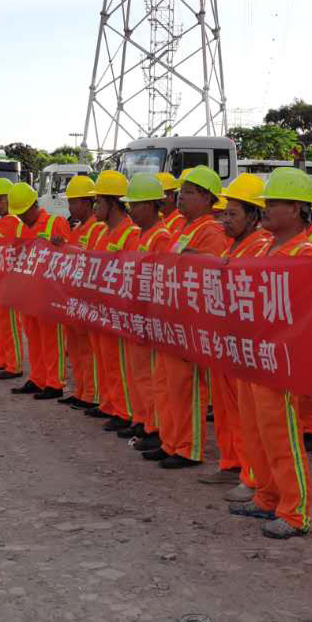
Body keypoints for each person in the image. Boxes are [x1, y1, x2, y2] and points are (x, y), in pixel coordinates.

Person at [222, 167, 312, 538]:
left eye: (274, 203)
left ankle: (295, 511)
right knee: (257, 432)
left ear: (295, 208)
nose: (266, 210)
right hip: (254, 354)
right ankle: (266, 496)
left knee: (281, 436)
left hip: (280, 360)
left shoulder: (306, 253)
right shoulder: (266, 247)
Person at [152, 166, 229, 470]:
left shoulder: (211, 230)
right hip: (172, 317)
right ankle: (169, 441)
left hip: (189, 320)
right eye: (182, 192)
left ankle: (187, 447)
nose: (181, 197)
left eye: (189, 192)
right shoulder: (184, 228)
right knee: (167, 384)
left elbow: (211, 275)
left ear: (208, 198)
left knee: (187, 387)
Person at [213, 174, 271, 499]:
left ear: (252, 217)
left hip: (246, 343)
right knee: (229, 411)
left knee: (249, 417)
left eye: (232, 214)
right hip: (228, 340)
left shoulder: (260, 246)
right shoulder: (234, 244)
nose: (225, 219)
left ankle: (252, 476)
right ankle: (233, 462)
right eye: (225, 213)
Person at [85, 170, 139, 432]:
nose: (95, 207)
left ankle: (124, 410)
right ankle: (109, 403)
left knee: (118, 363)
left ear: (113, 203)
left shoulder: (130, 233)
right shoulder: (101, 232)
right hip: (99, 308)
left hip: (117, 311)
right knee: (104, 359)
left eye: (99, 202)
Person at [8, 183, 71, 400]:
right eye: (19, 214)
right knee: (33, 339)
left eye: (24, 212)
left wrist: (59, 245)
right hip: (28, 294)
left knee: (52, 339)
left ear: (35, 205)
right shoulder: (21, 228)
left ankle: (54, 383)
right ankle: (37, 378)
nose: (22, 217)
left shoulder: (56, 223)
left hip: (50, 295)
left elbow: (71, 256)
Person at [122, 173, 172, 445]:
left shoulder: (161, 236)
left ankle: (155, 427)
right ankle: (143, 420)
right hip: (137, 315)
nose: (131, 210)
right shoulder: (142, 234)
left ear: (151, 205)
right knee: (139, 373)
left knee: (153, 377)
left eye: (135, 205)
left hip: (150, 317)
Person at [60, 174, 102, 409]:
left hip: (87, 300)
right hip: (73, 298)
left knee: (88, 350)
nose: (70, 207)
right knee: (76, 349)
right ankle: (81, 390)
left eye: (74, 202)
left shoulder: (96, 228)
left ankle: (91, 395)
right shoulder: (78, 228)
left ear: (87, 202)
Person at [0, 177, 28, 380]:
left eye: (1, 199)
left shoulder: (17, 224)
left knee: (11, 326)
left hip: (9, 285)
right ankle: (2, 359)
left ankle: (14, 365)